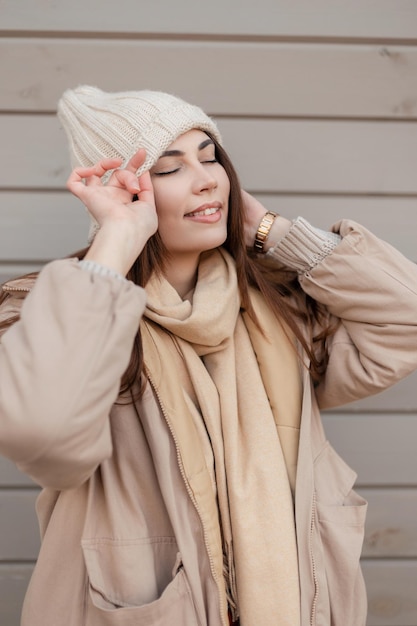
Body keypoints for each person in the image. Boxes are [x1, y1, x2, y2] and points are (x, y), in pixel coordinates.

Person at [0, 85, 416, 626]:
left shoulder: (277, 307)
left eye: (209, 155)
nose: (207, 178)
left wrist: (273, 233)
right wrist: (116, 243)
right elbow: (43, 432)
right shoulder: (47, 312)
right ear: (122, 192)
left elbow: (404, 319)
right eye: (170, 168)